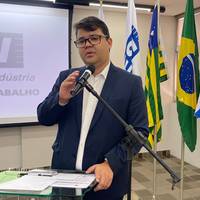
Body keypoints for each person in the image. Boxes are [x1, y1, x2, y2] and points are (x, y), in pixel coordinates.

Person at [37, 16, 148, 200]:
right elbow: (44, 117)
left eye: (94, 38)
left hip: (104, 184)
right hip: (64, 181)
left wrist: (110, 163)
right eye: (81, 41)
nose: (87, 44)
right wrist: (61, 99)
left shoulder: (130, 83)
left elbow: (140, 132)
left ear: (109, 42)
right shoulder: (68, 78)